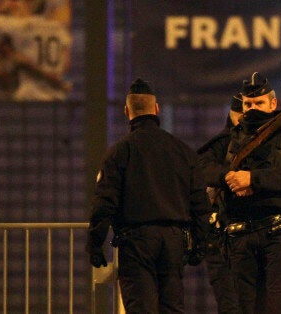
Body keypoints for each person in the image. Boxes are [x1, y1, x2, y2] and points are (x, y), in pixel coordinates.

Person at [86, 78, 210, 313]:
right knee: (172, 307)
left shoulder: (119, 152)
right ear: (156, 109)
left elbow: (104, 202)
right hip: (174, 241)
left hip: (136, 242)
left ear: (126, 111)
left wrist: (95, 244)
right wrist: (199, 245)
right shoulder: (183, 152)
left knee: (141, 307)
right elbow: (200, 204)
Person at [199, 72, 281, 313]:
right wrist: (228, 177)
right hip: (239, 238)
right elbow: (199, 168)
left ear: (273, 104)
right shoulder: (229, 139)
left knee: (280, 306)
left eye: (259, 103)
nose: (253, 108)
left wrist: (253, 179)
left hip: (277, 234)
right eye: (248, 104)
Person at [196, 93, 244, 314]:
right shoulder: (220, 145)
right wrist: (231, 177)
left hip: (254, 238)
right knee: (230, 305)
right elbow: (204, 169)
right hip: (222, 237)